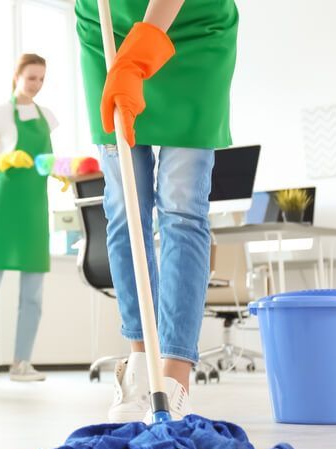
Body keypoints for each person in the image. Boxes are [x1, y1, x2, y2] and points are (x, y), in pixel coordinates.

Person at [76, 0, 238, 420]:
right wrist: (126, 60)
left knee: (183, 208)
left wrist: (142, 55)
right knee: (125, 204)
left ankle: (174, 375)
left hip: (194, 29)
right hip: (108, 33)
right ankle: (139, 364)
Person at [0, 53, 59, 382]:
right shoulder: (0, 113)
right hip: (2, 210)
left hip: (34, 211)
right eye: (32, 77)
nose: (37, 84)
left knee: (32, 294)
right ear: (17, 76)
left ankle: (22, 363)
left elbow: (46, 161)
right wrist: (5, 158)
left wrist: (62, 170)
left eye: (42, 79)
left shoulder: (47, 116)